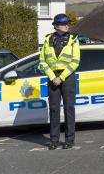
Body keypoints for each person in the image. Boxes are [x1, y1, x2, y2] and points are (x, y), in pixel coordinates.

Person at [39, 14, 80, 150]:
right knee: (54, 109)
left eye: (67, 23)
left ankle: (69, 140)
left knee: (69, 108)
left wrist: (61, 77)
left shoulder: (73, 39)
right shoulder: (47, 39)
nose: (67, 26)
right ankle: (54, 140)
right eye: (63, 24)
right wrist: (52, 77)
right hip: (52, 77)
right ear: (56, 26)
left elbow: (75, 61)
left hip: (67, 76)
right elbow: (42, 61)